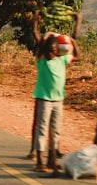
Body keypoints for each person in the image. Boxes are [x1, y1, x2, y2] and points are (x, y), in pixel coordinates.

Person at [31, 11, 80, 174]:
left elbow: (77, 56)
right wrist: (36, 22)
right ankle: (39, 161)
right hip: (44, 99)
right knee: (42, 130)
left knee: (56, 131)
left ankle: (52, 161)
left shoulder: (62, 59)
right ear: (46, 49)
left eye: (56, 49)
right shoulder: (42, 60)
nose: (54, 51)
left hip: (58, 100)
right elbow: (37, 37)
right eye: (51, 49)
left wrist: (73, 38)